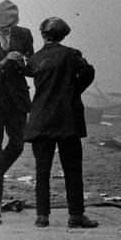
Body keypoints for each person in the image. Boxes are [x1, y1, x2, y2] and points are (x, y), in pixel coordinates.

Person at [24, 17, 97, 228]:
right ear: (63, 34)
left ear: (43, 34)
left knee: (42, 170)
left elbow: (26, 71)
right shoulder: (71, 55)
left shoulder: (35, 59)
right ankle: (76, 216)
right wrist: (73, 91)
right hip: (67, 120)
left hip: (41, 120)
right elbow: (88, 71)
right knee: (73, 169)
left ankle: (42, 216)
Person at [0, 0, 33, 225]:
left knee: (17, 144)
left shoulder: (25, 34)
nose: (7, 31)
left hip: (17, 101)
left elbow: (31, 67)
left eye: (10, 27)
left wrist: (22, 63)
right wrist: (3, 61)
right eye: (2, 28)